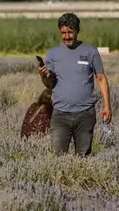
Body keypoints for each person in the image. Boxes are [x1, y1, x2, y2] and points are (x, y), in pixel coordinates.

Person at [38, 12, 112, 156]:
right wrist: (43, 75)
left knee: (83, 157)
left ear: (77, 31)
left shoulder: (90, 51)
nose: (67, 36)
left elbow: (101, 78)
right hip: (60, 114)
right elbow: (49, 84)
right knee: (57, 157)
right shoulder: (53, 54)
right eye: (63, 33)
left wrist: (107, 106)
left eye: (70, 32)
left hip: (85, 114)